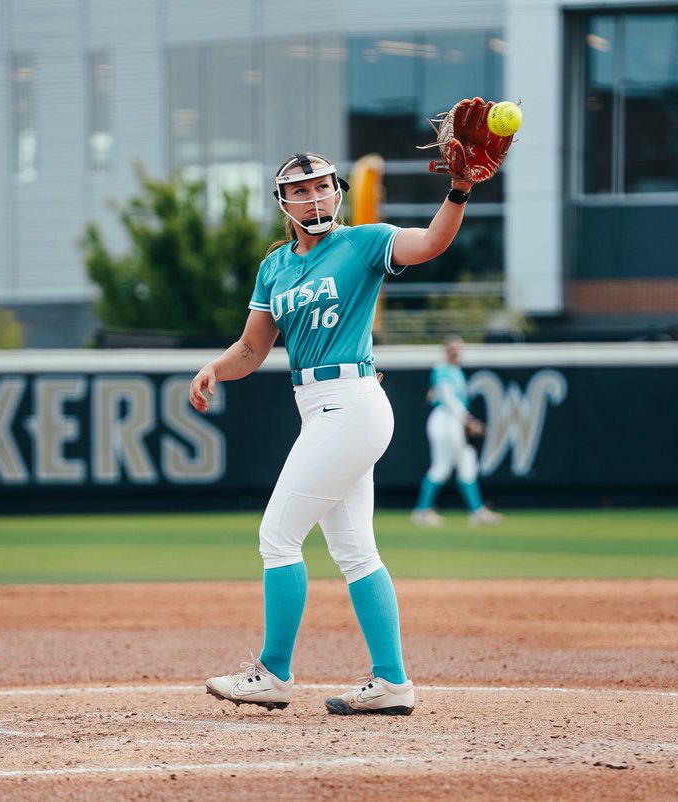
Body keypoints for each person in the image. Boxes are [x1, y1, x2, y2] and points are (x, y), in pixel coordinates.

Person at [189, 151, 476, 716]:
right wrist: (215, 368)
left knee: (277, 536)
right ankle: (392, 682)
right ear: (284, 203)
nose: (315, 197)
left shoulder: (362, 243)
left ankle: (273, 673)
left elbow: (430, 244)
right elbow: (252, 349)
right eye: (302, 190)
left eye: (323, 186)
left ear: (337, 191)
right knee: (355, 551)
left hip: (353, 402)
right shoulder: (275, 267)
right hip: (318, 405)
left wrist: (460, 190)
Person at [410, 336, 504, 527]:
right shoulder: (442, 369)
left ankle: (475, 511)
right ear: (445, 351)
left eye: (459, 349)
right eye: (452, 349)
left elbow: (438, 394)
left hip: (452, 421)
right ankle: (423, 511)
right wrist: (467, 419)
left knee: (465, 463)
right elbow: (447, 397)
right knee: (444, 466)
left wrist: (464, 418)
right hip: (445, 421)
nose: (456, 352)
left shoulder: (455, 371)